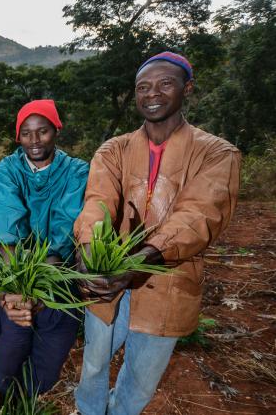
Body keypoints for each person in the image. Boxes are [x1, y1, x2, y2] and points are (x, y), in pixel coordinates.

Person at [73, 52, 241, 415]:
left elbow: (198, 217)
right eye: (143, 87)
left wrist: (142, 259)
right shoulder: (114, 149)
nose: (153, 94)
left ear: (187, 89)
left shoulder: (217, 153)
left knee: (140, 379)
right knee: (94, 364)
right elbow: (98, 201)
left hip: (169, 282)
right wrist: (88, 249)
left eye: (165, 84)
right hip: (108, 279)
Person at [0, 99, 89, 398]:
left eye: (42, 131)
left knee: (46, 367)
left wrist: (42, 284)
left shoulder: (76, 171)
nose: (34, 141)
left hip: (60, 281)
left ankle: (29, 401)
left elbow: (66, 224)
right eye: (26, 133)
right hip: (17, 281)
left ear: (56, 130)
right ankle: (6, 400)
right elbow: (7, 226)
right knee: (8, 357)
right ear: (18, 136)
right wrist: (17, 289)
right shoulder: (7, 170)